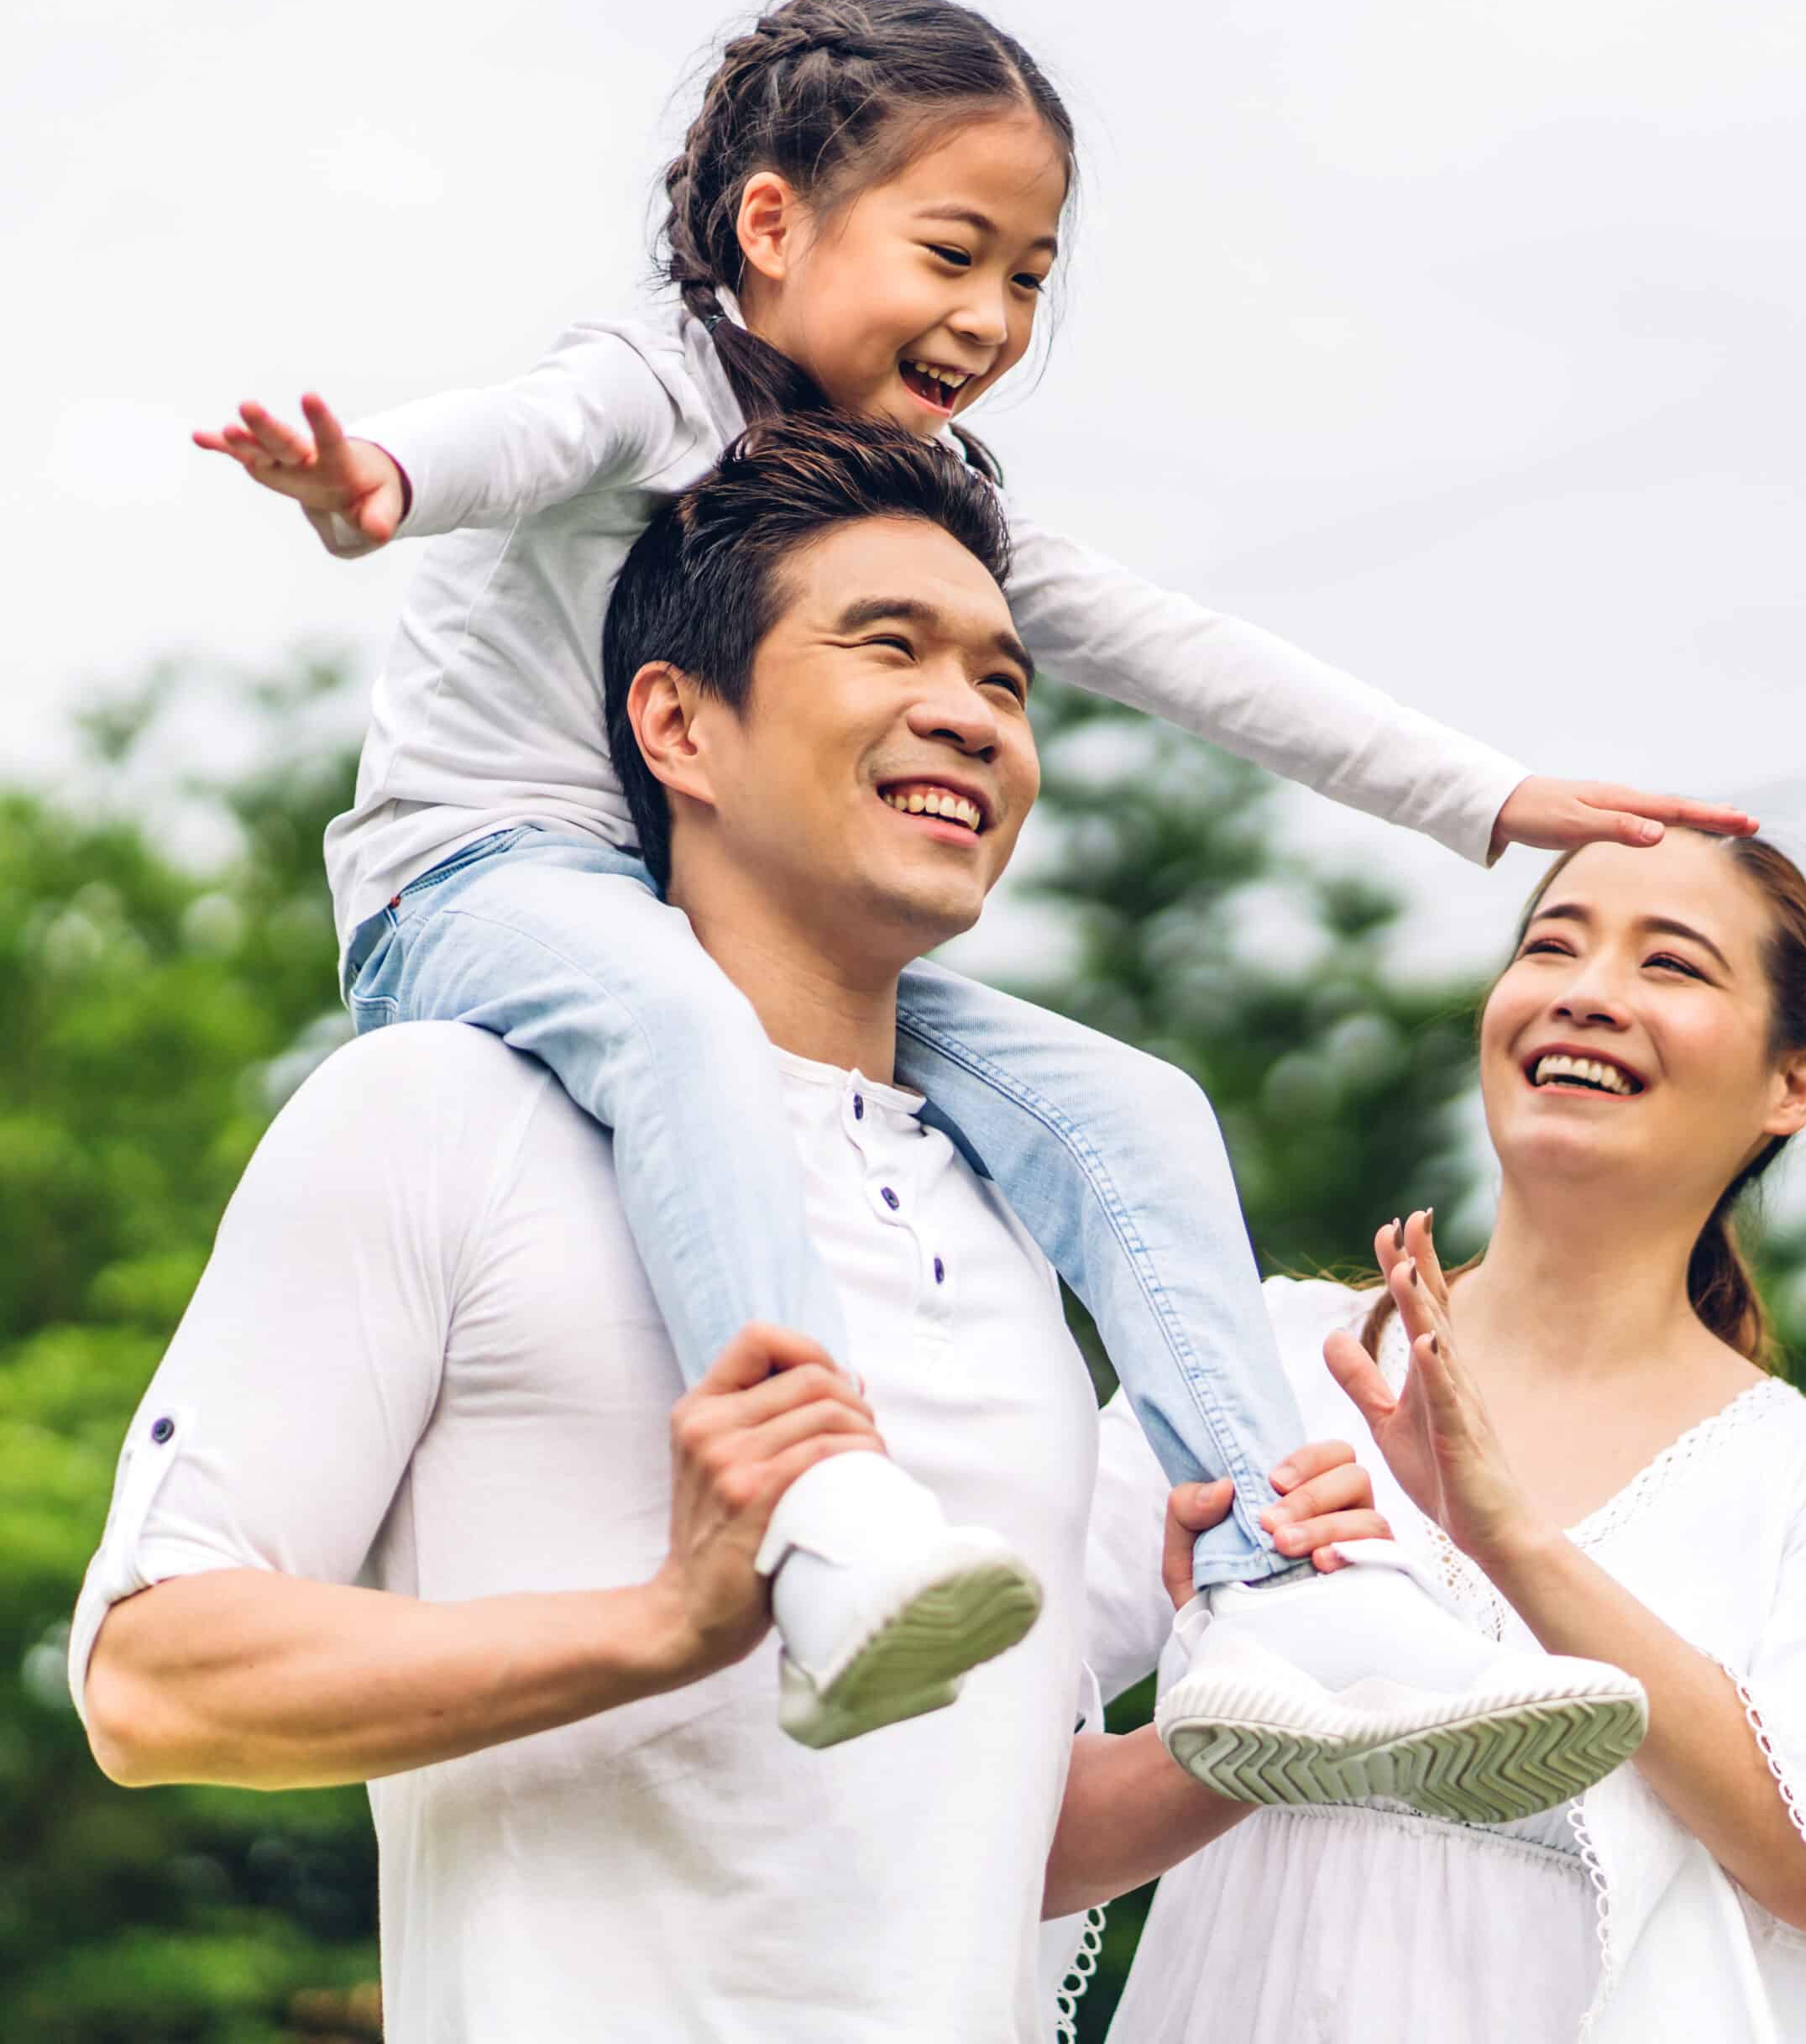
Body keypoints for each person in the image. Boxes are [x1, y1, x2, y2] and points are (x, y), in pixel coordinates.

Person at [188, 0, 1748, 1779]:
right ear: (767, 225)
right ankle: (819, 1514)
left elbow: (1185, 650)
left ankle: (1271, 1567)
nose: (991, 312)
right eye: (952, 251)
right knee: (674, 1017)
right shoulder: (646, 378)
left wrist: (1491, 796)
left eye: (1027, 272)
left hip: (698, 910)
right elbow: (512, 440)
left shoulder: (917, 496)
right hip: (478, 882)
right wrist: (377, 477)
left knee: (1130, 1105)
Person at [69, 416, 1401, 2042]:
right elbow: (153, 1677)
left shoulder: (1008, 1206)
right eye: (887, 646)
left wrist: (1246, 1715)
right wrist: (666, 1624)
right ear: (676, 725)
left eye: (1004, 679)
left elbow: (969, 1841)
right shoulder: (440, 1110)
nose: (966, 714)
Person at [1067, 828, 1806, 2042]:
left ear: (1790, 1084)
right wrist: (1251, 1725)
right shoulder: (1260, 1362)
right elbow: (985, 1816)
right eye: (1553, 944)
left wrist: (1503, 1535)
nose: (1588, 994)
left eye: (1673, 967)